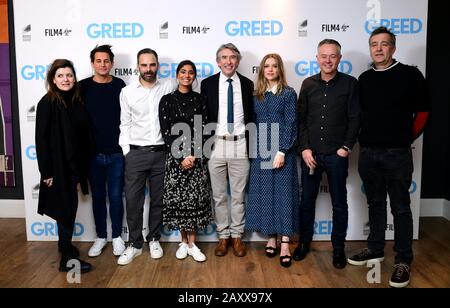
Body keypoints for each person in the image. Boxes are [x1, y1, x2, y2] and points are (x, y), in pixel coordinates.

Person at [347, 27, 429, 288]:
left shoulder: (410, 75)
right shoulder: (364, 78)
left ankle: (403, 260)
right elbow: (358, 116)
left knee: (401, 208)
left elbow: (424, 113)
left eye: (384, 44)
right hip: (368, 153)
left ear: (393, 48)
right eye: (374, 44)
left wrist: (405, 138)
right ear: (370, 48)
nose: (379, 49)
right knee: (375, 205)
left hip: (397, 154)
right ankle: (376, 249)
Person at [295, 39, 360, 269]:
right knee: (307, 202)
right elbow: (301, 120)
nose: (328, 60)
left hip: (336, 155)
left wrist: (346, 147)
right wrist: (304, 148)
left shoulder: (350, 84)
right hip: (310, 155)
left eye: (333, 56)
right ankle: (304, 243)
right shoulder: (308, 84)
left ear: (339, 58)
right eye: (324, 56)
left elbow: (355, 119)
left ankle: (339, 248)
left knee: (339, 203)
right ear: (317, 58)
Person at [117, 48, 176, 265]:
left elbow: (191, 87)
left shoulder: (169, 86)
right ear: (137, 67)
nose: (148, 69)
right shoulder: (127, 92)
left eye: (152, 65)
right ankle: (134, 244)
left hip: (161, 154)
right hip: (136, 154)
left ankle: (154, 239)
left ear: (157, 65)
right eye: (144, 65)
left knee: (159, 201)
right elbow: (125, 124)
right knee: (133, 201)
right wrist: (127, 153)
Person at [35, 59, 93, 273]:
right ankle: (67, 259)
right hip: (57, 167)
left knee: (70, 207)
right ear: (53, 79)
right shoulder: (47, 103)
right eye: (60, 75)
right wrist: (46, 171)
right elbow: (41, 140)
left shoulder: (76, 101)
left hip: (74, 165)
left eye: (69, 75)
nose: (65, 79)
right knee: (65, 209)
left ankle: (64, 245)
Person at [201, 43, 254, 257]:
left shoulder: (249, 84)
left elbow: (253, 117)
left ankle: (237, 236)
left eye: (232, 57)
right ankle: (223, 237)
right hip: (216, 145)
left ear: (238, 61)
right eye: (224, 57)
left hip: (241, 143)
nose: (228, 61)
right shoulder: (207, 84)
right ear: (218, 61)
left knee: (239, 195)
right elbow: (202, 117)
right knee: (219, 195)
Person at [245, 53, 299, 267]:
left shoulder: (288, 93)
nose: (270, 69)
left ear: (280, 70)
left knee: (284, 195)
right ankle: (271, 237)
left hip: (282, 150)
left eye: (274, 66)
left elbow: (291, 123)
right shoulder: (257, 94)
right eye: (266, 66)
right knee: (266, 194)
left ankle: (285, 242)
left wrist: (282, 151)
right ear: (262, 70)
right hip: (260, 150)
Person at [159, 60, 212, 262]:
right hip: (175, 160)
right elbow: (166, 132)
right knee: (180, 202)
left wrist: (194, 155)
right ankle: (183, 242)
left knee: (195, 202)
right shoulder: (167, 100)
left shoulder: (200, 99)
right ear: (177, 74)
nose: (186, 75)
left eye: (190, 72)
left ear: (194, 76)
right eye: (183, 72)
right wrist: (181, 157)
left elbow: (204, 129)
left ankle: (192, 243)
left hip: (196, 158)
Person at [79, 45, 127, 258]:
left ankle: (117, 236)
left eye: (106, 61)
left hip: (117, 153)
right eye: (98, 61)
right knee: (98, 197)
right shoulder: (82, 87)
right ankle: (100, 236)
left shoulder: (120, 85)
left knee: (116, 197)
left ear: (112, 63)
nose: (103, 64)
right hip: (93, 154)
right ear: (92, 63)